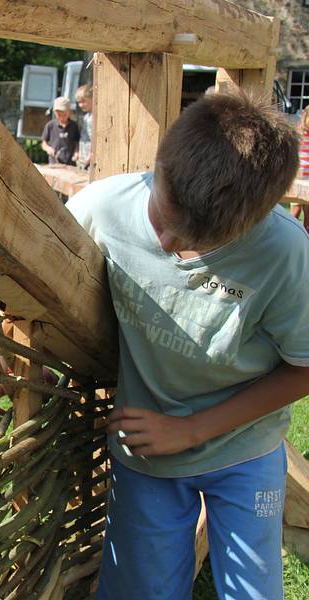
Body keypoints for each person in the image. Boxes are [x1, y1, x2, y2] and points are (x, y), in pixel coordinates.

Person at [62, 92, 308, 599]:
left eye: (193, 239)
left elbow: (304, 366)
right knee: (142, 589)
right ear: (158, 165)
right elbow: (36, 284)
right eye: (161, 217)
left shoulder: (285, 252)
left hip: (244, 446)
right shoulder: (103, 207)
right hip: (148, 450)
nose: (166, 244)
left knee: (254, 591)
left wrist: (192, 429)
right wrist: (1, 359)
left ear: (254, 221)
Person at [41, 96, 80, 166]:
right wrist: (48, 149)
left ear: (69, 112)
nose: (62, 118)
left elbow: (76, 142)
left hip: (70, 163)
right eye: (59, 115)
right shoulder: (50, 125)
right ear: (55, 113)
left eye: (64, 115)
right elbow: (44, 144)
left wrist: (76, 152)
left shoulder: (74, 126)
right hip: (54, 163)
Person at [290, 108, 309, 231]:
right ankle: (291, 234)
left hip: (308, 181)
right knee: (295, 212)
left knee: (308, 216)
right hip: (297, 179)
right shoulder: (298, 134)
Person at [75, 84, 93, 170]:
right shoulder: (86, 117)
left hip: (90, 161)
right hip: (83, 158)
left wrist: (90, 157)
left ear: (93, 98)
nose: (81, 105)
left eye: (83, 101)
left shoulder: (94, 118)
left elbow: (96, 141)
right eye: (79, 102)